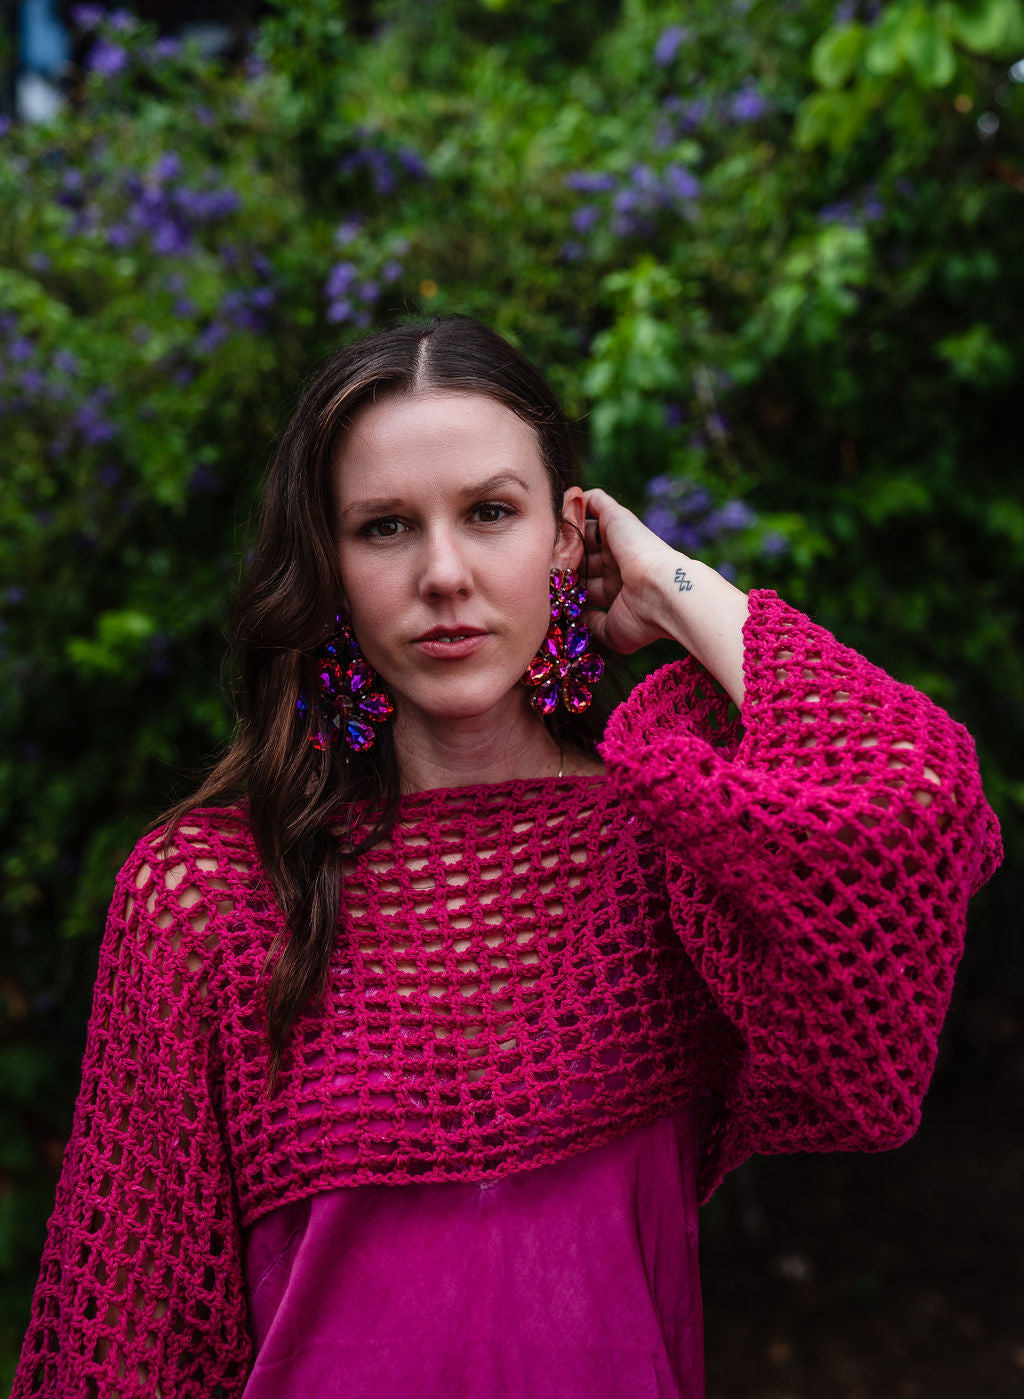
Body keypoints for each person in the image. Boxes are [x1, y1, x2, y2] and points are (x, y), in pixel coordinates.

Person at [14, 314, 1002, 1398]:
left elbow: (917, 802)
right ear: (328, 564)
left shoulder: (665, 848)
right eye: (384, 527)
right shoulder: (210, 897)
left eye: (490, 513)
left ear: (567, 535)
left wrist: (672, 582)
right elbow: (126, 1348)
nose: (444, 572)